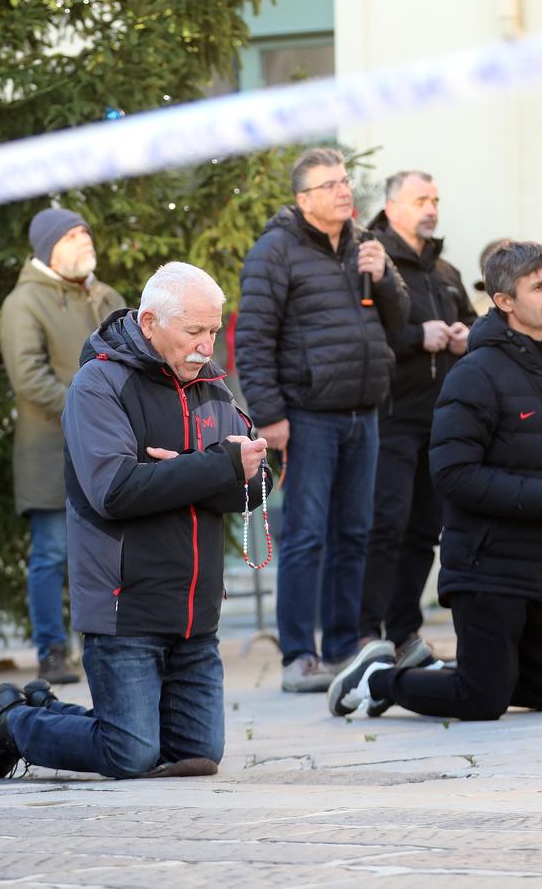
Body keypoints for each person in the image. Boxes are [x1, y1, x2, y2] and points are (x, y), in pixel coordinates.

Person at [0, 263, 266, 780]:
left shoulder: (213, 387)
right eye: (193, 332)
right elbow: (116, 491)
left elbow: (251, 487)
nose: (208, 346)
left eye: (212, 330)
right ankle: (11, 722)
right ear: (148, 323)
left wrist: (225, 467)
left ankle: (37, 711)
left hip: (195, 615)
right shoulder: (97, 384)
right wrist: (212, 464)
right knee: (130, 754)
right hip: (126, 610)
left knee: (197, 755)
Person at [328, 241, 542, 722]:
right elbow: (453, 474)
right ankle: (378, 679)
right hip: (487, 567)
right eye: (538, 286)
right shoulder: (475, 373)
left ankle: (447, 669)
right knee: (482, 701)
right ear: (505, 302)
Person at [236, 147, 409, 693]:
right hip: (308, 416)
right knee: (308, 536)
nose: (344, 191)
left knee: (354, 532)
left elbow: (400, 322)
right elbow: (254, 340)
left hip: (365, 412)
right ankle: (297, 657)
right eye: (330, 184)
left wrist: (384, 280)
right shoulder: (275, 252)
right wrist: (270, 417)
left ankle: (341, 647)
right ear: (303, 199)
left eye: (345, 182)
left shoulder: (365, 247)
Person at [0, 207, 125, 684]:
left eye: (85, 232)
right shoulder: (24, 304)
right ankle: (52, 651)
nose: (84, 241)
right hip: (51, 452)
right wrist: (90, 410)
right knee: (51, 553)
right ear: (48, 248)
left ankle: (113, 641)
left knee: (106, 550)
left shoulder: (106, 296)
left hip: (107, 450)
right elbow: (29, 376)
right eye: (72, 235)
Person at [358, 170, 474, 668]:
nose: (432, 208)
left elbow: (470, 318)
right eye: (421, 199)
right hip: (390, 414)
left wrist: (464, 333)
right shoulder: (371, 261)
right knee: (385, 524)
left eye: (436, 198)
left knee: (426, 527)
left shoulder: (445, 271)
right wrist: (415, 338)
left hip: (440, 419)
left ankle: (405, 631)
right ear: (392, 206)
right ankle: (366, 632)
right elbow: (364, 332)